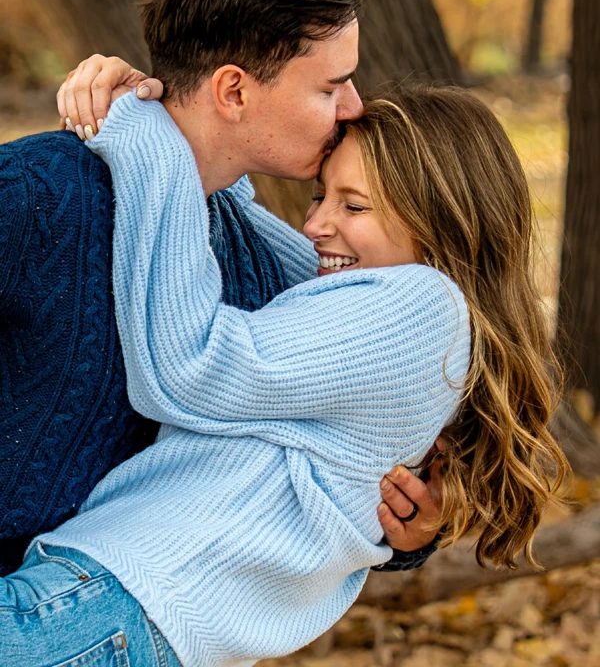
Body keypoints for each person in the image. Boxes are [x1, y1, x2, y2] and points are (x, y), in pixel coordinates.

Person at [1, 75, 567, 666]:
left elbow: (194, 366)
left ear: (444, 221)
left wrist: (148, 138)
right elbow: (250, 236)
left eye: (354, 205)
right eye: (321, 197)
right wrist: (190, 137)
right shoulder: (379, 307)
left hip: (115, 601)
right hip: (120, 606)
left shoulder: (422, 307)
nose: (315, 224)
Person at [0, 0, 438, 576]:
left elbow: (325, 461)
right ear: (233, 91)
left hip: (132, 613)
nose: (352, 108)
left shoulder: (269, 266)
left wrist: (411, 531)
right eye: (330, 87)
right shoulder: (37, 194)